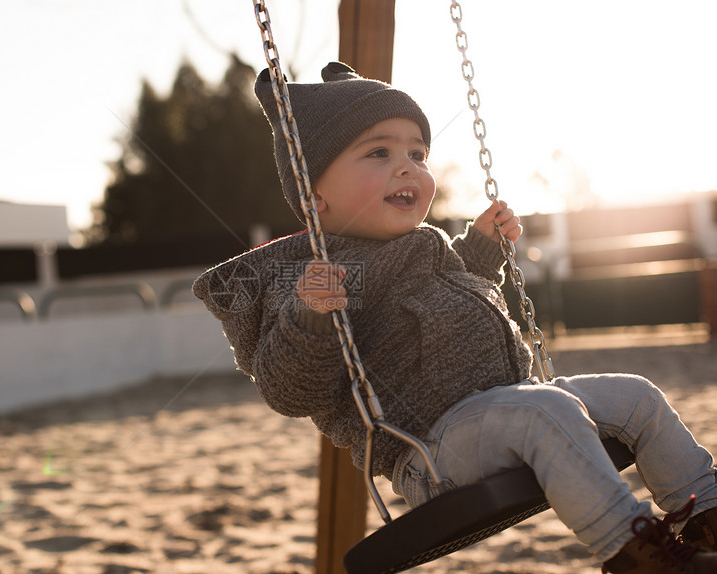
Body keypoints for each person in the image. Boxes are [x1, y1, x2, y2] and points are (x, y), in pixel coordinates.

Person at [192, 62, 717, 573]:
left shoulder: (426, 245)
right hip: (433, 449)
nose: (407, 167)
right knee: (547, 412)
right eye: (379, 152)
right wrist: (309, 315)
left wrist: (483, 250)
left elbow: (454, 293)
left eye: (417, 153)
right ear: (314, 195)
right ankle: (636, 557)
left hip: (507, 408)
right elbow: (288, 391)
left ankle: (709, 517)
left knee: (637, 396)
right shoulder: (315, 276)